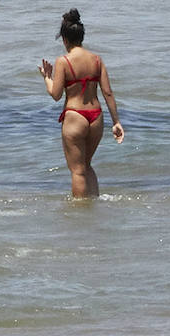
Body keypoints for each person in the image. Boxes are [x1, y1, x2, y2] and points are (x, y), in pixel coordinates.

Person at [39, 8, 124, 198]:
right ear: (82, 37)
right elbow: (108, 92)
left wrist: (46, 77)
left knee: (77, 171)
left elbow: (55, 94)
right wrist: (116, 122)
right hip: (96, 117)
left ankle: (80, 214)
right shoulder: (97, 60)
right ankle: (94, 204)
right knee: (86, 165)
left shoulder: (63, 61)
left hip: (75, 116)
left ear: (65, 39)